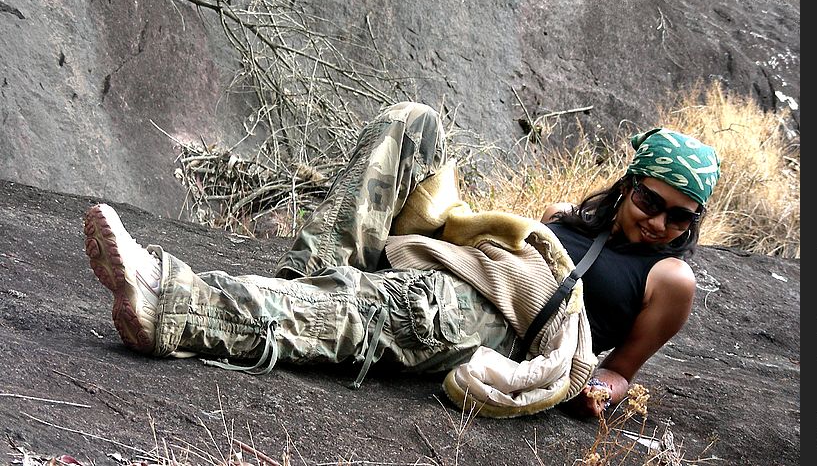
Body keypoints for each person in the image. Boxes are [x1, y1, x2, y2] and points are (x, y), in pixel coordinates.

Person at [84, 102, 719, 419]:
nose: (658, 222)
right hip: (441, 259)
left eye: (678, 216)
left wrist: (588, 388)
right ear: (630, 182)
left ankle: (167, 302)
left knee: (370, 310)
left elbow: (618, 374)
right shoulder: (567, 217)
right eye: (648, 199)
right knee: (414, 121)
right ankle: (303, 290)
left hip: (480, 316)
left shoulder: (671, 279)